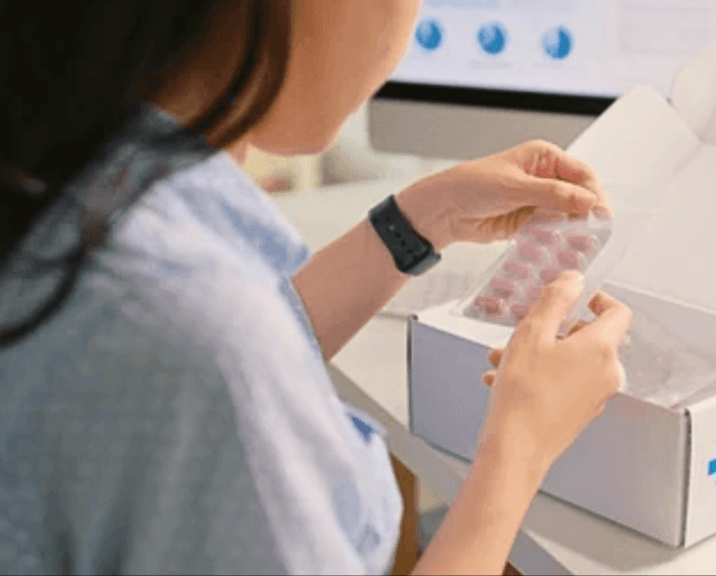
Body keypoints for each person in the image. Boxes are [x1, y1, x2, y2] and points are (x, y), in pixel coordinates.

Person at [0, 1, 632, 575]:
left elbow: (224, 353)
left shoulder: (64, 177)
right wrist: (520, 447)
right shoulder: (199, 335)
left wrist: (420, 220)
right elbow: (215, 355)